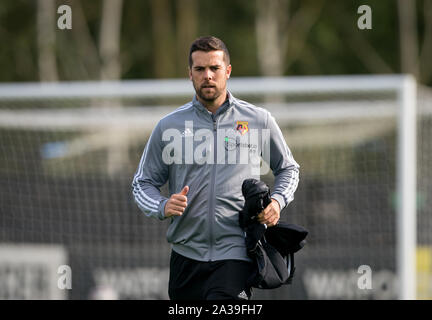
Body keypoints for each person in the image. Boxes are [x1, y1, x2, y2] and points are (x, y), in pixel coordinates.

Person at [132, 36, 300, 300]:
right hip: (185, 257)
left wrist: (277, 202)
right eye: (199, 69)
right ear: (190, 74)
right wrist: (162, 205)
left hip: (235, 254)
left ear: (228, 71)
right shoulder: (168, 126)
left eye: (214, 68)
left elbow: (288, 169)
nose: (207, 76)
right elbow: (142, 183)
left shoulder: (257, 120)